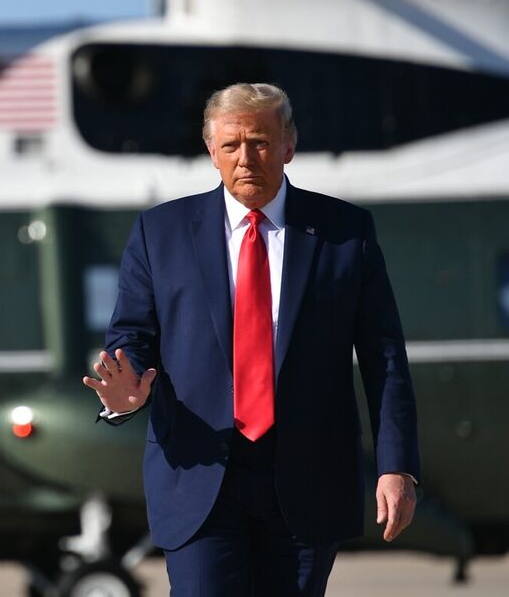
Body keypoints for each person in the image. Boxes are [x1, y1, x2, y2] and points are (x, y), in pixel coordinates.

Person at [83, 83, 419, 596]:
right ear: (211, 152)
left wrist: (396, 465)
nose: (246, 158)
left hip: (308, 476)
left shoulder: (345, 232)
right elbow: (133, 335)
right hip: (199, 472)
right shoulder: (161, 231)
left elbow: (384, 357)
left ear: (289, 146)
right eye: (232, 145)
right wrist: (127, 391)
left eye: (260, 142)